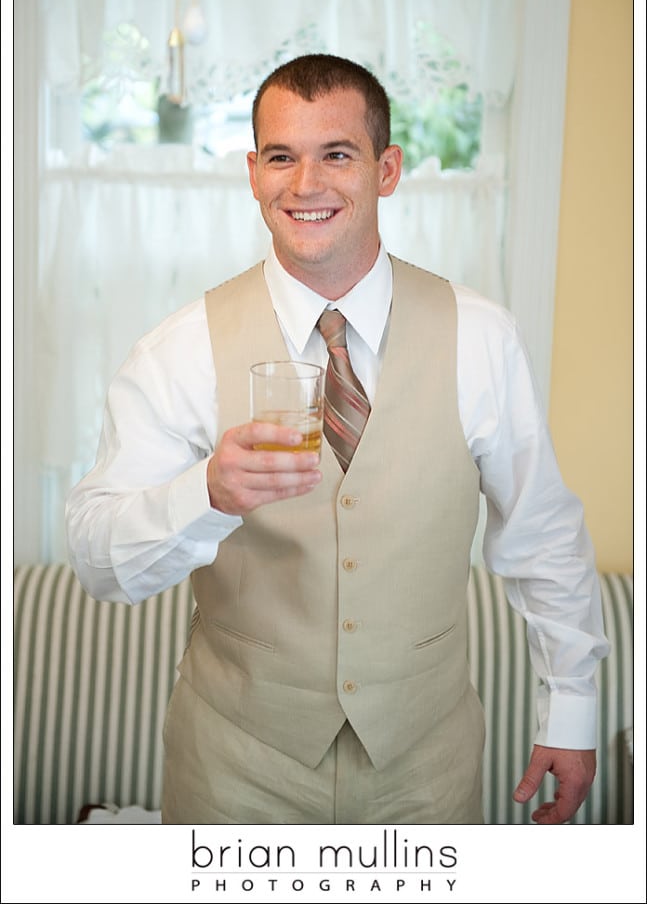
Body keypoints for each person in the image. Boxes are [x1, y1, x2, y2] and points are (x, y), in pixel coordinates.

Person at [65, 53, 609, 825]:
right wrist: (206, 495)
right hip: (234, 774)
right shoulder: (175, 351)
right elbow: (97, 562)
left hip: (425, 773)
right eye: (281, 157)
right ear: (253, 173)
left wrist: (571, 713)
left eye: (337, 155)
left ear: (385, 169)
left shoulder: (481, 337)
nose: (306, 184)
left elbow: (542, 535)